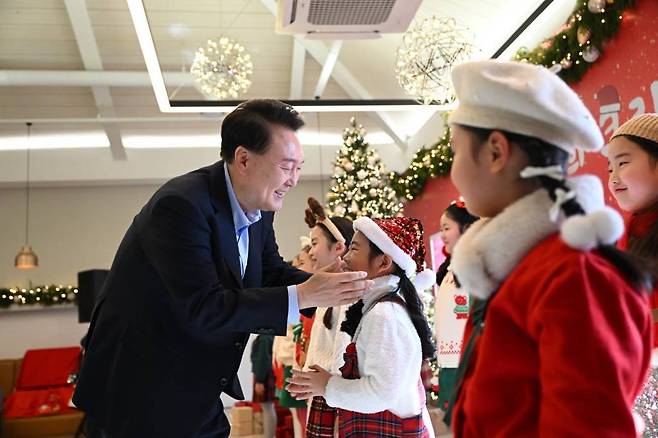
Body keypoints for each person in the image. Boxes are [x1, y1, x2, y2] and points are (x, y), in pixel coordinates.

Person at [72, 99, 371, 438]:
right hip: (141, 386)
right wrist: (305, 293)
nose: (293, 181)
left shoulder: (260, 208)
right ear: (243, 158)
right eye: (287, 166)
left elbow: (270, 271)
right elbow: (203, 306)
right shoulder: (181, 206)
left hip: (192, 380)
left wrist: (324, 284)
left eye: (299, 168)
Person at [443, 60, 653, 436]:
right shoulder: (523, 268)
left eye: (455, 151)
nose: (454, 170)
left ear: (495, 151)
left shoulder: (573, 276)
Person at [288, 216, 437, 437]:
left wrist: (327, 386)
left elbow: (381, 393)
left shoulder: (385, 315)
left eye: (354, 250)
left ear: (383, 263)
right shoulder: (378, 308)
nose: (345, 257)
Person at [301, 197, 354, 437]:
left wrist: (328, 385)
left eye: (315, 243)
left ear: (339, 247)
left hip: (339, 394)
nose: (310, 252)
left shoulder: (352, 293)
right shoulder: (327, 290)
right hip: (324, 391)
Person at [434, 199, 478, 410]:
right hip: (449, 362)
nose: (442, 235)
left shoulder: (477, 267)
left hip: (469, 363)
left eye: (447, 228)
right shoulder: (451, 270)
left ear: (467, 229)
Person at [251, 334, 276, 438]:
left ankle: (269, 436)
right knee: (267, 407)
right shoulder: (267, 336)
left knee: (267, 407)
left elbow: (263, 359)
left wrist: (259, 380)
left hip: (264, 375)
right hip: (265, 374)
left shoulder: (265, 337)